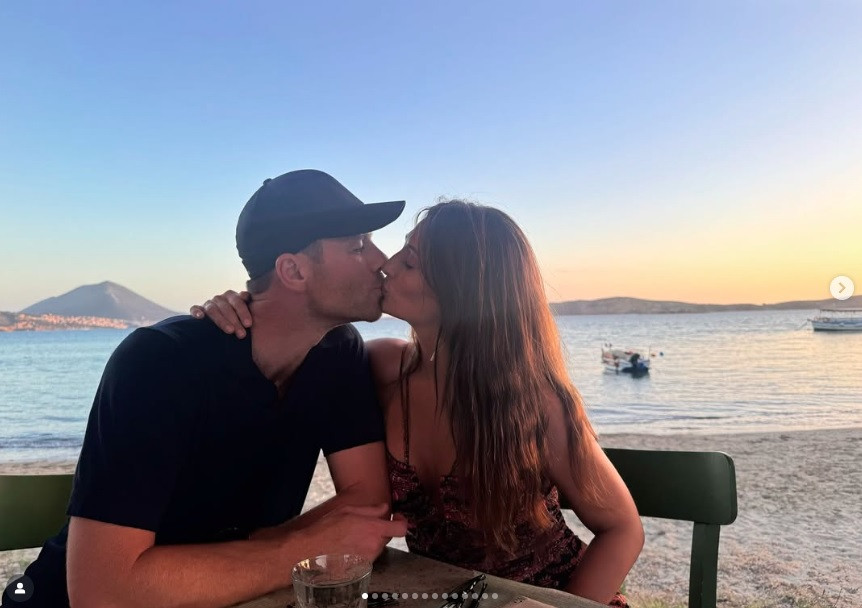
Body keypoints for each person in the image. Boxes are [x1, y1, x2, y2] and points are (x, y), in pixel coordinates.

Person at [196, 200, 645, 606]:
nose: (386, 264)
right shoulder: (380, 368)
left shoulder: (535, 404)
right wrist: (245, 307)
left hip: (547, 597)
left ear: (462, 290)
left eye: (409, 261)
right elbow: (293, 342)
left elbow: (622, 529)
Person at [9, 170, 409, 608]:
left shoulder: (337, 352)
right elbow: (101, 593)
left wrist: (258, 549)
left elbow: (368, 500)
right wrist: (300, 551)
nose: (381, 259)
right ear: (293, 270)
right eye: (358, 246)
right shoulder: (160, 362)